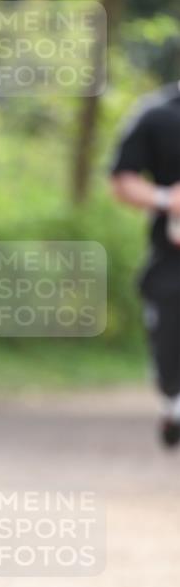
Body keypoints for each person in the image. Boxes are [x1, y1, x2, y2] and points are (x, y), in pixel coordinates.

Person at [109, 80, 180, 449]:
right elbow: (122, 178)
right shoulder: (158, 114)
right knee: (170, 342)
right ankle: (173, 403)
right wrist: (167, 197)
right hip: (171, 263)